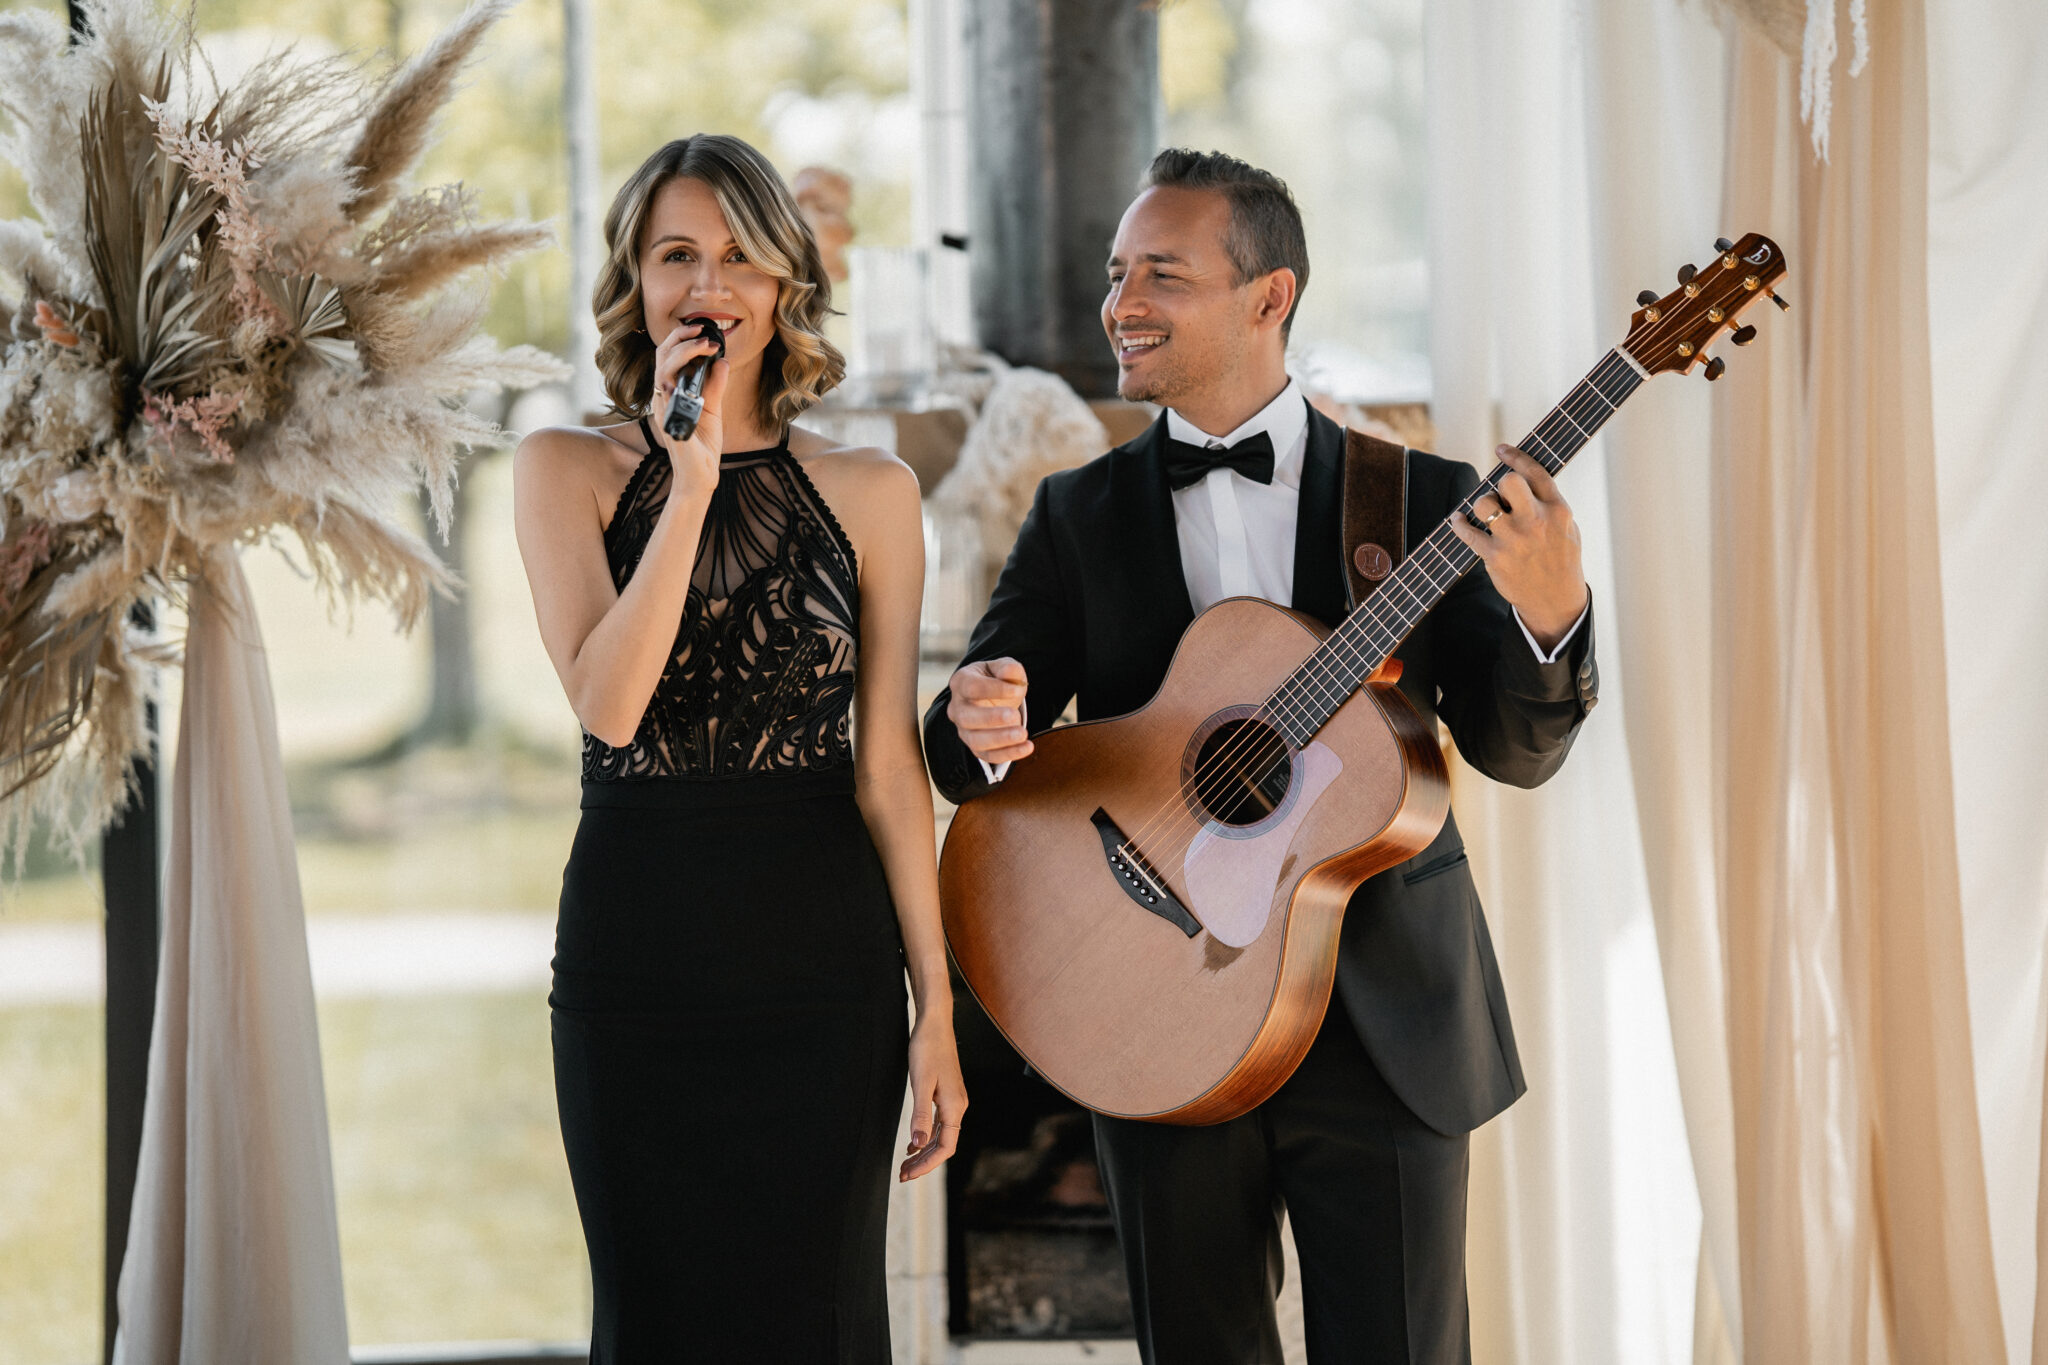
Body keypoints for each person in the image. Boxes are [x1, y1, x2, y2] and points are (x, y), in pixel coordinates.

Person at [921, 148, 1599, 1364]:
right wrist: (974, 718)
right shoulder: (1077, 515)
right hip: (1157, 1004)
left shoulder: (1421, 500)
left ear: (1266, 297)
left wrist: (1551, 619)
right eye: (1115, 273)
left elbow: (1514, 751)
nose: (1120, 302)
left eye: (1160, 274)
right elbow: (970, 736)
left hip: (1384, 1022)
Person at [513, 134, 965, 1363]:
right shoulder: (564, 468)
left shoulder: (873, 492)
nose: (707, 285)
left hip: (824, 968)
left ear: (784, 283)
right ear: (634, 281)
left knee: (822, 1324)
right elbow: (609, 708)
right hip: (638, 960)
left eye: (738, 258)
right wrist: (691, 481)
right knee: (654, 1325)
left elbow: (888, 770)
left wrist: (935, 1007)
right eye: (676, 255)